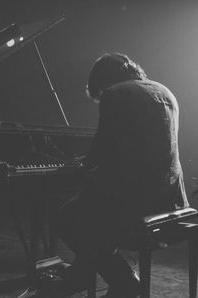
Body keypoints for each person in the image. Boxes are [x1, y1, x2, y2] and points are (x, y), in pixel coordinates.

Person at [56, 53, 189, 298]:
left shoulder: (115, 94)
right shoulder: (165, 91)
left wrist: (78, 166)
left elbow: (102, 151)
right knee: (91, 215)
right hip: (171, 200)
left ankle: (124, 282)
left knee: (67, 218)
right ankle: (87, 275)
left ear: (101, 80)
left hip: (138, 207)